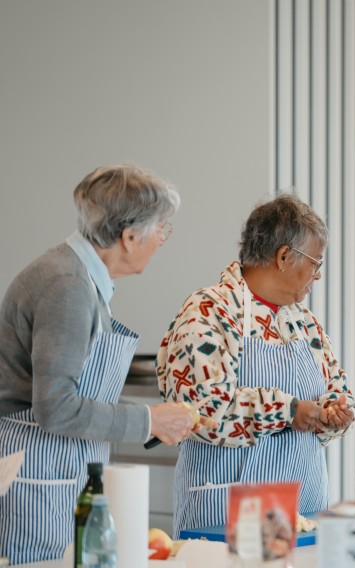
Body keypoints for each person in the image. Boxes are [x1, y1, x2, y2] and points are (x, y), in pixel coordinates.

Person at [0, 162, 209, 564]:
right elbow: (56, 408)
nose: (163, 240)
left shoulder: (80, 277)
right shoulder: (68, 286)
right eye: (162, 229)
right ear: (129, 236)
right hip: (38, 477)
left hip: (59, 472)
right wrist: (150, 421)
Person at [157, 193, 355, 533]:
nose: (317, 275)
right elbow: (199, 412)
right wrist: (288, 411)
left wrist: (333, 415)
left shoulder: (305, 323)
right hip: (226, 516)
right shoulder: (208, 312)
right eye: (315, 261)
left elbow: (338, 391)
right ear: (283, 256)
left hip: (303, 513)